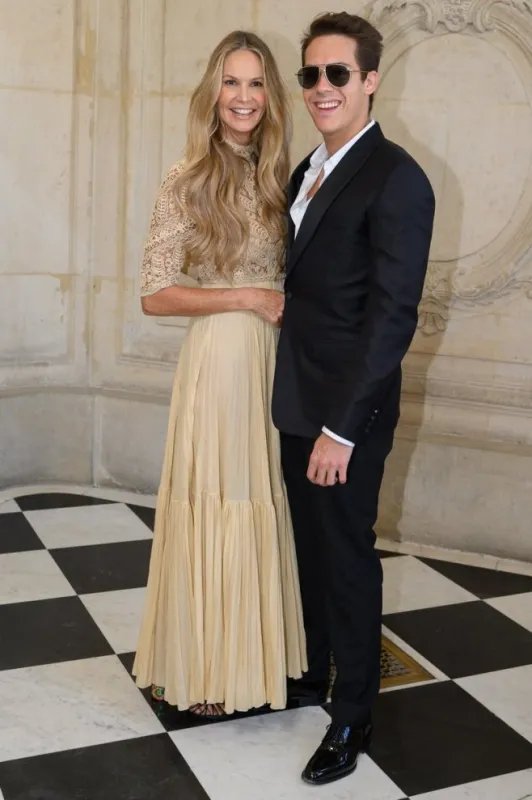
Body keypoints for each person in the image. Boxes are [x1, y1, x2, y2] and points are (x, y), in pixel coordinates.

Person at [273, 12, 435, 785]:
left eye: (338, 73)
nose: (322, 88)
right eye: (310, 74)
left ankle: (354, 714)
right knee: (310, 551)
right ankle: (314, 673)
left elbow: (390, 318)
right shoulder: (308, 168)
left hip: (346, 415)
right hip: (296, 401)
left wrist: (341, 428)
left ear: (371, 79)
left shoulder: (398, 177)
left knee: (347, 559)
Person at [133, 30, 307, 719]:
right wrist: (248, 296)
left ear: (272, 96)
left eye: (257, 83)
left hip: (272, 361)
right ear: (213, 92)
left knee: (264, 497)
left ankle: (257, 659)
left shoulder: (280, 172)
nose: (244, 97)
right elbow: (152, 292)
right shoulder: (187, 178)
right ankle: (205, 667)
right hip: (220, 360)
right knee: (218, 498)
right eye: (232, 83)